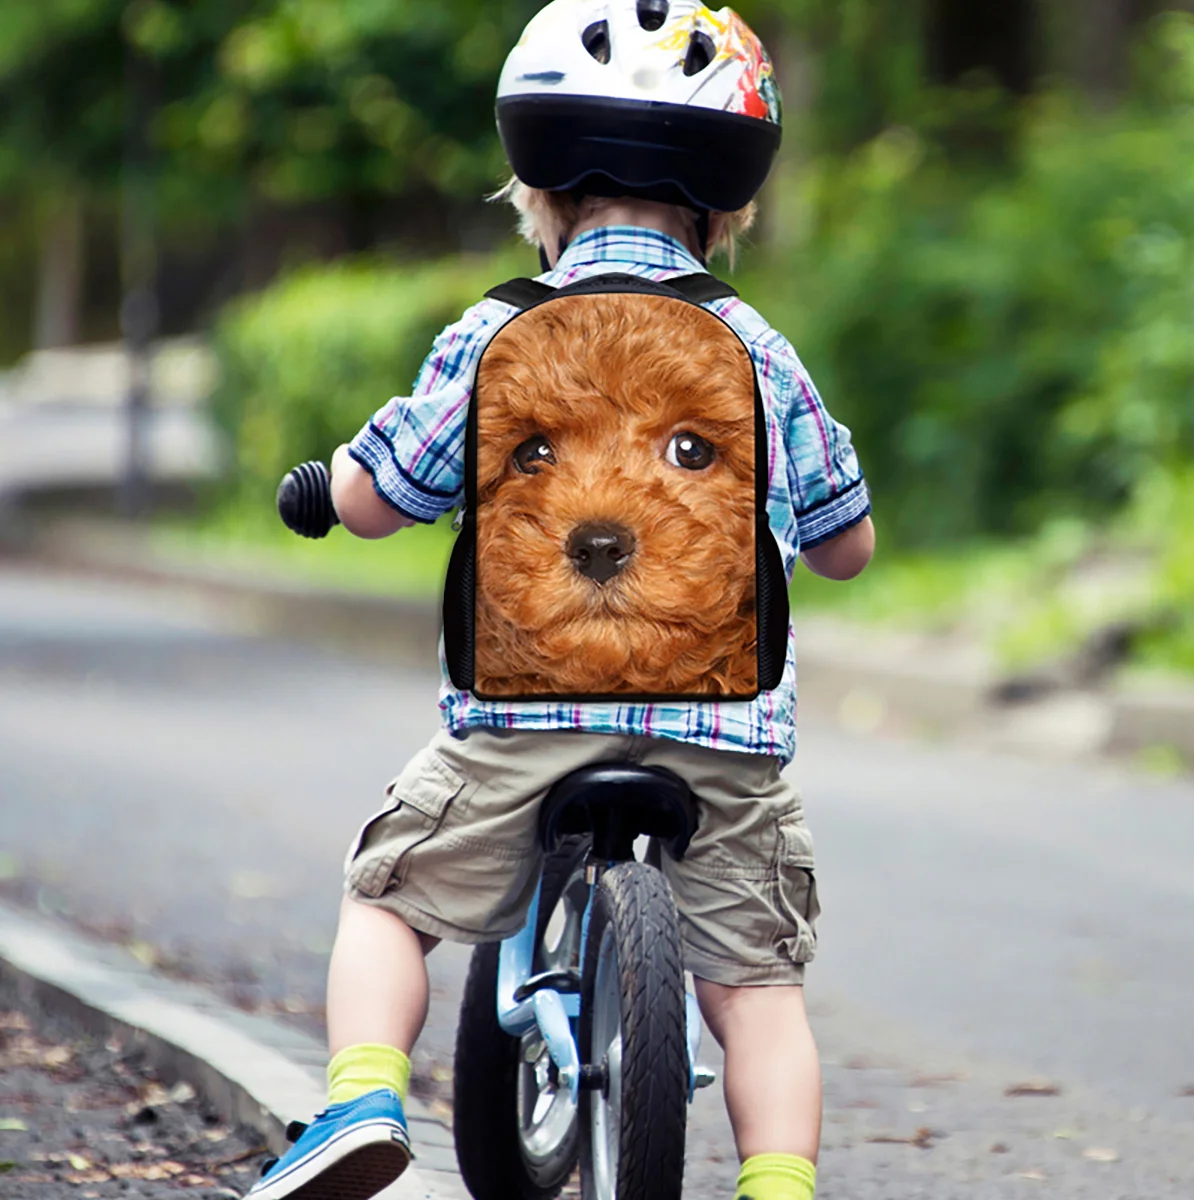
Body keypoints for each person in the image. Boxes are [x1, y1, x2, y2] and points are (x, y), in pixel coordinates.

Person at [248, 4, 874, 1200]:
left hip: (521, 722)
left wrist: (329, 487)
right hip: (722, 738)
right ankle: (780, 1188)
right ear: (726, 204)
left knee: (386, 897)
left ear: (536, 188)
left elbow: (387, 494)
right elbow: (846, 546)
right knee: (757, 992)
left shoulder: (497, 332)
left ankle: (363, 1100)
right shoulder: (757, 346)